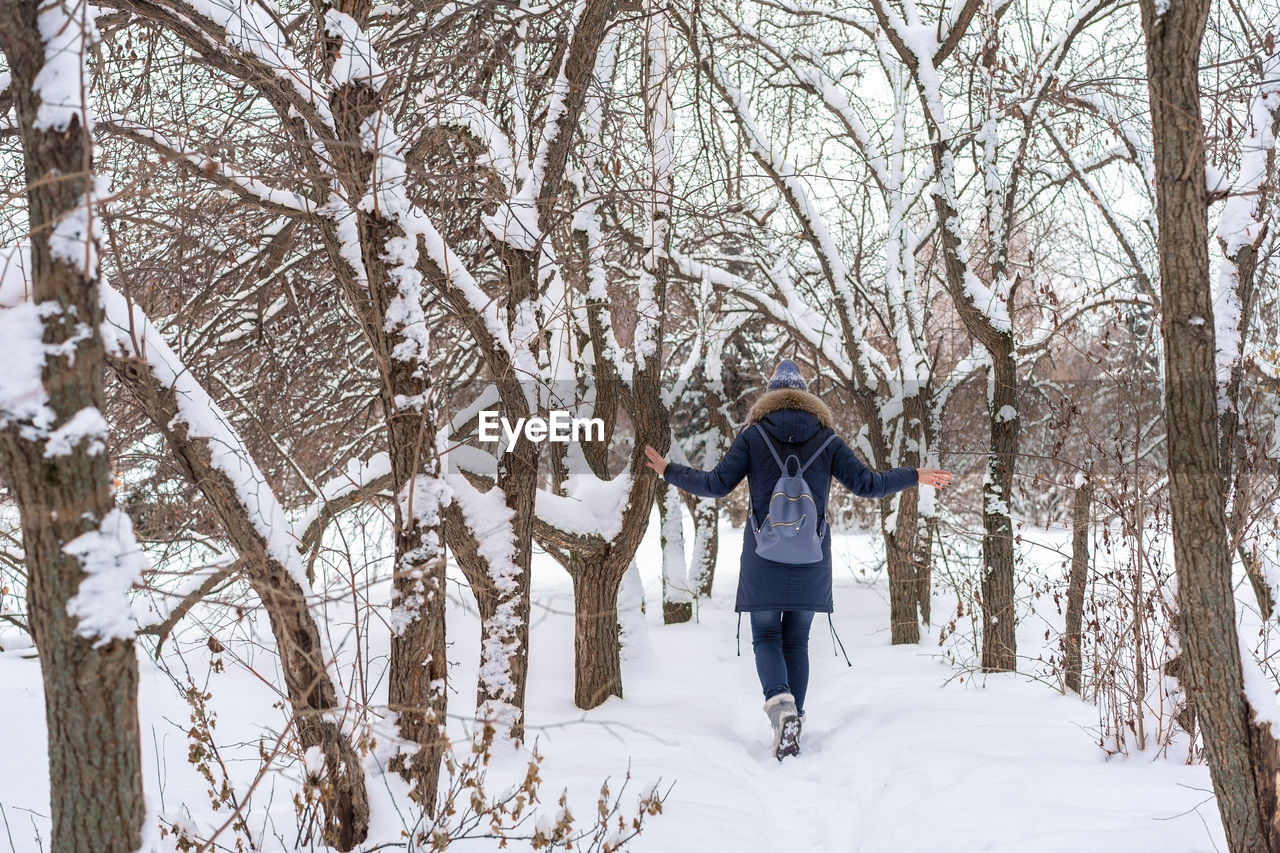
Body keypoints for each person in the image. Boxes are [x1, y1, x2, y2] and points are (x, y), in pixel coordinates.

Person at [644, 359, 952, 760]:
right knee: (797, 641)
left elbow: (716, 484)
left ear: (770, 399)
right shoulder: (827, 440)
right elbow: (868, 484)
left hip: (763, 555)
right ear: (807, 400)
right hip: (811, 559)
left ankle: (780, 707)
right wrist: (914, 474)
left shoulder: (753, 437)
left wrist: (670, 471)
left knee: (767, 638)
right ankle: (795, 721)